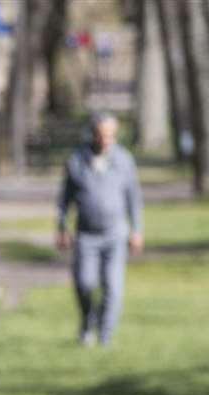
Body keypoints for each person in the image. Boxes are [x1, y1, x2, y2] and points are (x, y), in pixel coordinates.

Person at [56, 112, 144, 346]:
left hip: (115, 234)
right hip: (86, 235)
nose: (107, 140)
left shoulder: (124, 160)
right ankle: (87, 322)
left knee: (113, 289)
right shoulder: (77, 160)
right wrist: (62, 226)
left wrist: (136, 230)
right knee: (84, 283)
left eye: (111, 136)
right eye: (102, 135)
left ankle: (105, 336)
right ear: (92, 134)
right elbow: (64, 199)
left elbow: (133, 197)